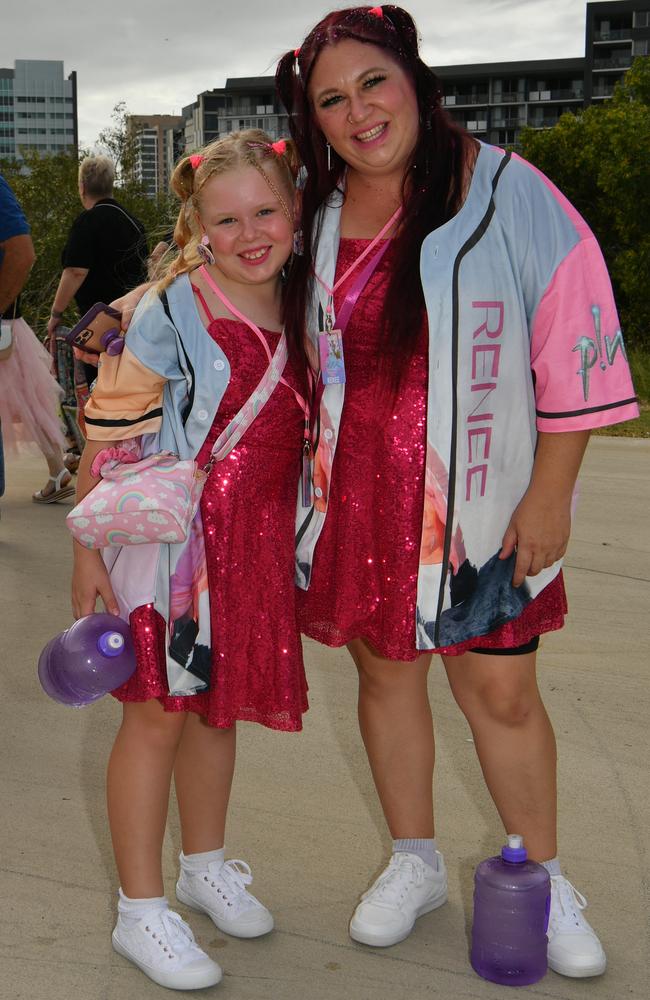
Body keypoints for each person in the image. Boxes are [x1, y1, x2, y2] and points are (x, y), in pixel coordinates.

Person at [275, 5, 639, 978]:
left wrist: (550, 495)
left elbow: (575, 334)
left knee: (500, 693)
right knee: (385, 678)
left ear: (413, 80)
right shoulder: (310, 212)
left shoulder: (504, 192)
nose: (357, 112)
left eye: (372, 84)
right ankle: (413, 859)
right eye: (330, 101)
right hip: (355, 499)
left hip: (481, 506)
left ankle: (540, 872)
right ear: (313, 120)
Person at [70, 131, 308, 990]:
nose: (251, 233)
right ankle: (140, 911)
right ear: (199, 226)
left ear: (294, 211)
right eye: (228, 218)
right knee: (156, 718)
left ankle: (203, 867)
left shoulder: (308, 302)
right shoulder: (172, 307)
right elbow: (111, 423)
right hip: (170, 550)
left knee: (217, 711)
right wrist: (89, 547)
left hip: (254, 551)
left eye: (266, 212)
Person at [0, 172, 75, 504]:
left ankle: (59, 470)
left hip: (5, 322)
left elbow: (22, 252)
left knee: (30, 399)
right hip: (9, 321)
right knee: (32, 399)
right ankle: (58, 470)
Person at [47, 155, 148, 389]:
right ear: (111, 184)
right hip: (134, 320)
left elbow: (75, 271)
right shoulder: (133, 222)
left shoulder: (87, 222)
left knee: (100, 387)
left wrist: (56, 314)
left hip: (97, 326)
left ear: (82, 187)